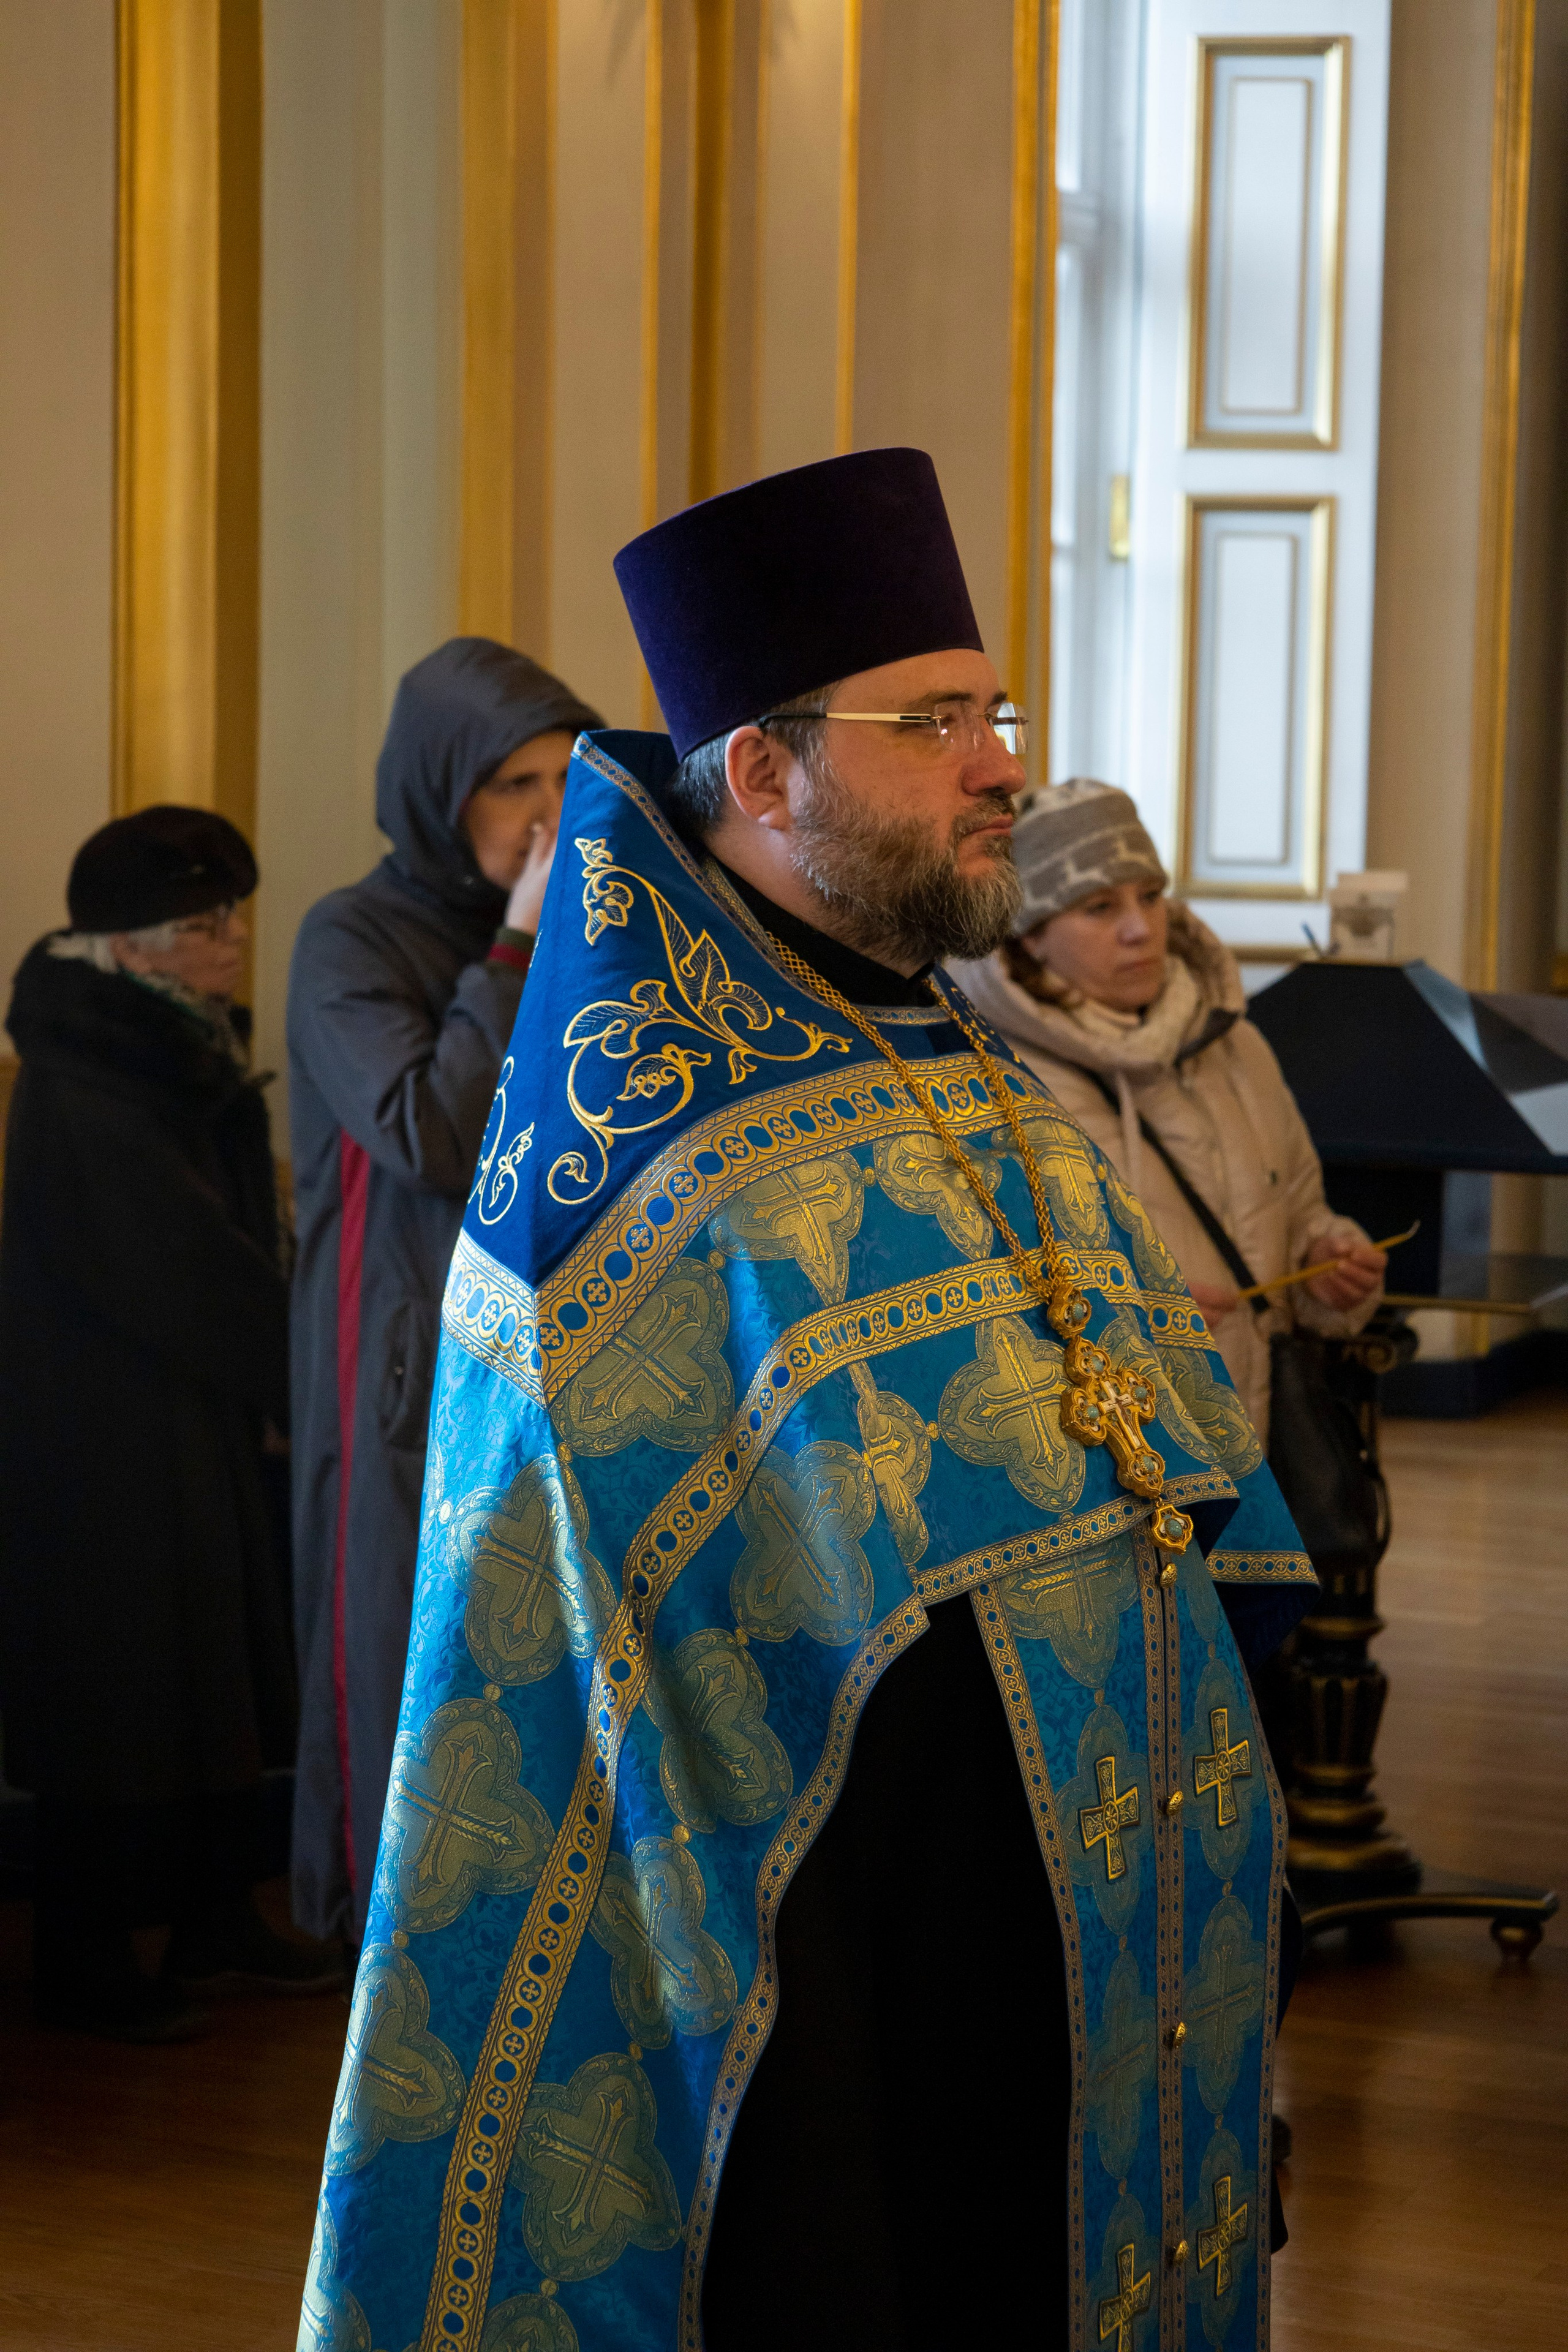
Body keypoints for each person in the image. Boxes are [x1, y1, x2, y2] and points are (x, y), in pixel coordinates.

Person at [299, 452, 1314, 2352]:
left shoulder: (989, 1078)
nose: (1001, 762)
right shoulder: (643, 1174)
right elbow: (625, 1705)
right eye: (936, 721)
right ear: (762, 777)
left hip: (1089, 1987)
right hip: (851, 2029)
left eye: (994, 710)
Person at [287, 638, 602, 1948]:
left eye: (567, 780)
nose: (545, 816)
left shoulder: (593, 925)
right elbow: (427, 1132)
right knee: (405, 1655)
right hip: (403, 1357)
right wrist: (521, 944)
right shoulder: (348, 937)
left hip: (565, 1346)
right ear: (437, 789)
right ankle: (390, 1968)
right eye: (511, 782)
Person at [0, 807, 333, 2042]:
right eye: (203, 924)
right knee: (121, 1690)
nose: (233, 940)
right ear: (131, 949)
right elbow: (179, 1267)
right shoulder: (88, 1084)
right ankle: (87, 1955)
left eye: (235, 915)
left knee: (216, 1672)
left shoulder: (166, 1047)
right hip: (107, 1439)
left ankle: (209, 1917)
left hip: (184, 1419)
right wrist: (303, 1366)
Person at [948, 778, 1385, 1447]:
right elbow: (970, 1302)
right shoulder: (987, 1073)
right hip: (1115, 1452)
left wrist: (1330, 1270)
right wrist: (1125, 1317)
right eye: (1098, 907)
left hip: (1261, 1441)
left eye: (1150, 897)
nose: (1138, 928)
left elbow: (1299, 1210)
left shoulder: (1232, 1042)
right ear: (1030, 936)